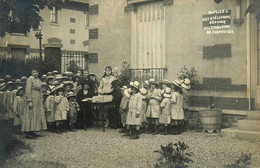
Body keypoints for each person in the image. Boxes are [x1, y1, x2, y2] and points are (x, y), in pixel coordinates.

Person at [22, 68, 47, 139]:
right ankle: (28, 132)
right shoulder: (29, 80)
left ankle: (32, 130)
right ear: (31, 73)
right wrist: (29, 100)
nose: (35, 73)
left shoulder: (38, 80)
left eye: (36, 72)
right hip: (32, 98)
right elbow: (28, 90)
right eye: (34, 72)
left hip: (38, 99)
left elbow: (41, 90)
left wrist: (41, 97)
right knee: (31, 114)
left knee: (36, 114)